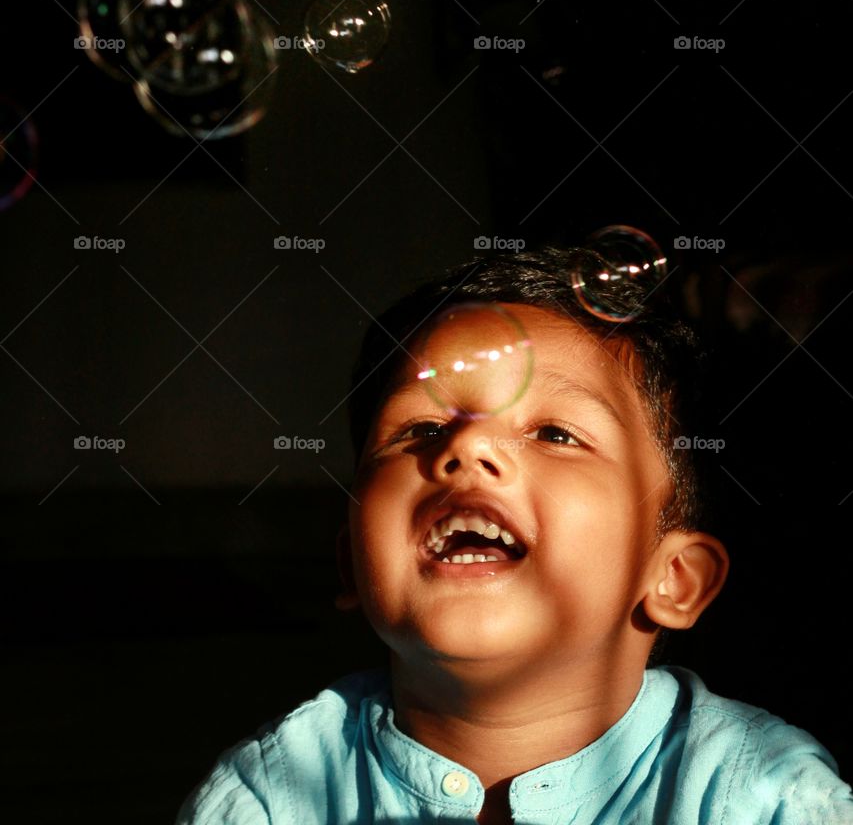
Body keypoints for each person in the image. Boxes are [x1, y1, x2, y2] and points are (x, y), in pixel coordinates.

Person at [175, 245, 853, 824]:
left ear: (672, 579)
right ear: (351, 561)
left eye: (554, 434)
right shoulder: (270, 797)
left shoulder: (763, 797)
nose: (467, 447)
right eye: (421, 429)